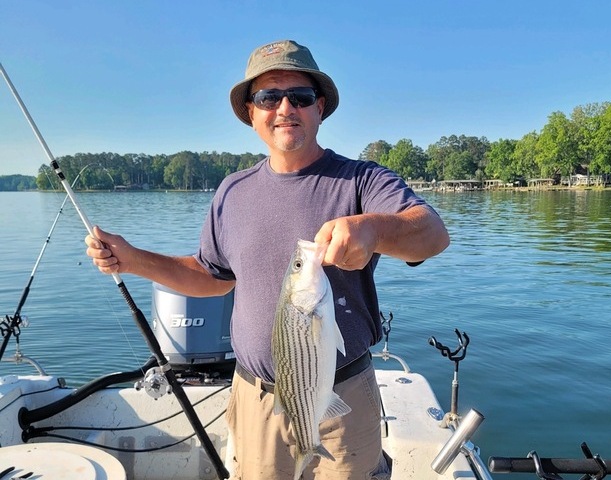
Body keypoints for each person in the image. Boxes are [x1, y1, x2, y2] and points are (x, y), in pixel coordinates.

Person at [85, 39, 450, 479]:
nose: (284, 107)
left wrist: (373, 229)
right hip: (256, 399)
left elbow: (432, 234)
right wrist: (133, 260)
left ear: (319, 108)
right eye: (268, 96)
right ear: (252, 113)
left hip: (344, 394)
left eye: (299, 96)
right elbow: (211, 276)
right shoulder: (232, 192)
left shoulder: (361, 180)